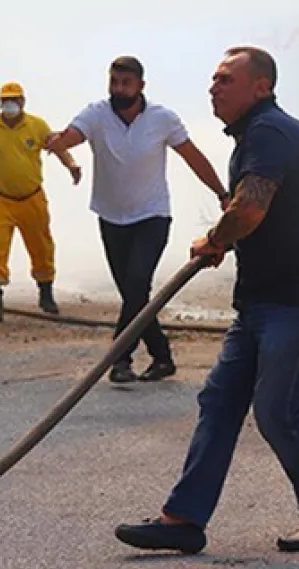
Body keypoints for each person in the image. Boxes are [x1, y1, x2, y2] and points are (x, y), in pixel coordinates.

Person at [115, 46, 299, 555]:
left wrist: (216, 239)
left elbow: (248, 209)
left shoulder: (269, 131)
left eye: (226, 79)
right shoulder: (254, 136)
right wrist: (229, 237)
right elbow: (254, 211)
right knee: (221, 400)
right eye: (212, 79)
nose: (214, 87)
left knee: (277, 411)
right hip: (265, 300)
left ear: (262, 87)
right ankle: (183, 519)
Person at [46, 56, 229, 383]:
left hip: (152, 216)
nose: (118, 89)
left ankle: (119, 359)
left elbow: (193, 157)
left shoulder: (162, 119)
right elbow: (74, 134)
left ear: (140, 86)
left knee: (135, 284)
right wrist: (58, 142)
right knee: (135, 294)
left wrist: (221, 193)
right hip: (111, 217)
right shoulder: (97, 114)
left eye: (125, 83)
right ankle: (162, 357)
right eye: (114, 82)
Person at [0, 82, 82, 323]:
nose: (10, 105)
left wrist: (71, 165)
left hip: (32, 198)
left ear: (23, 102)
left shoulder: (37, 126)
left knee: (42, 246)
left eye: (14, 100)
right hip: (2, 199)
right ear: (0, 103)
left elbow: (57, 146)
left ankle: (46, 294)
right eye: (6, 100)